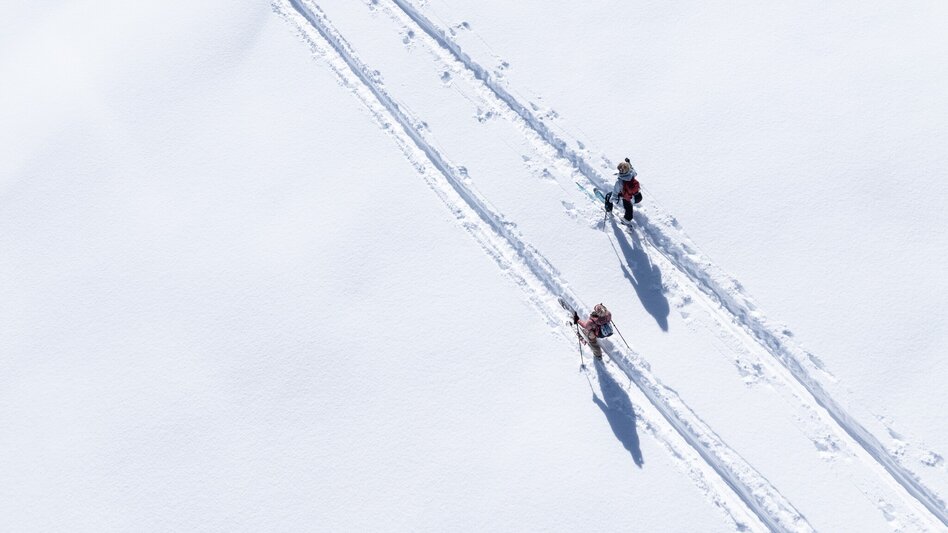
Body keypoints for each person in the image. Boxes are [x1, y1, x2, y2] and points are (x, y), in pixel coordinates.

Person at [604, 158, 642, 223]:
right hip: (638, 197)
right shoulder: (632, 173)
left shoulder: (619, 182)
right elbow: (634, 171)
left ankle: (608, 210)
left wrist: (612, 200)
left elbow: (615, 194)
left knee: (608, 196)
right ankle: (627, 219)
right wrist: (629, 163)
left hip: (628, 197)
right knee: (628, 207)